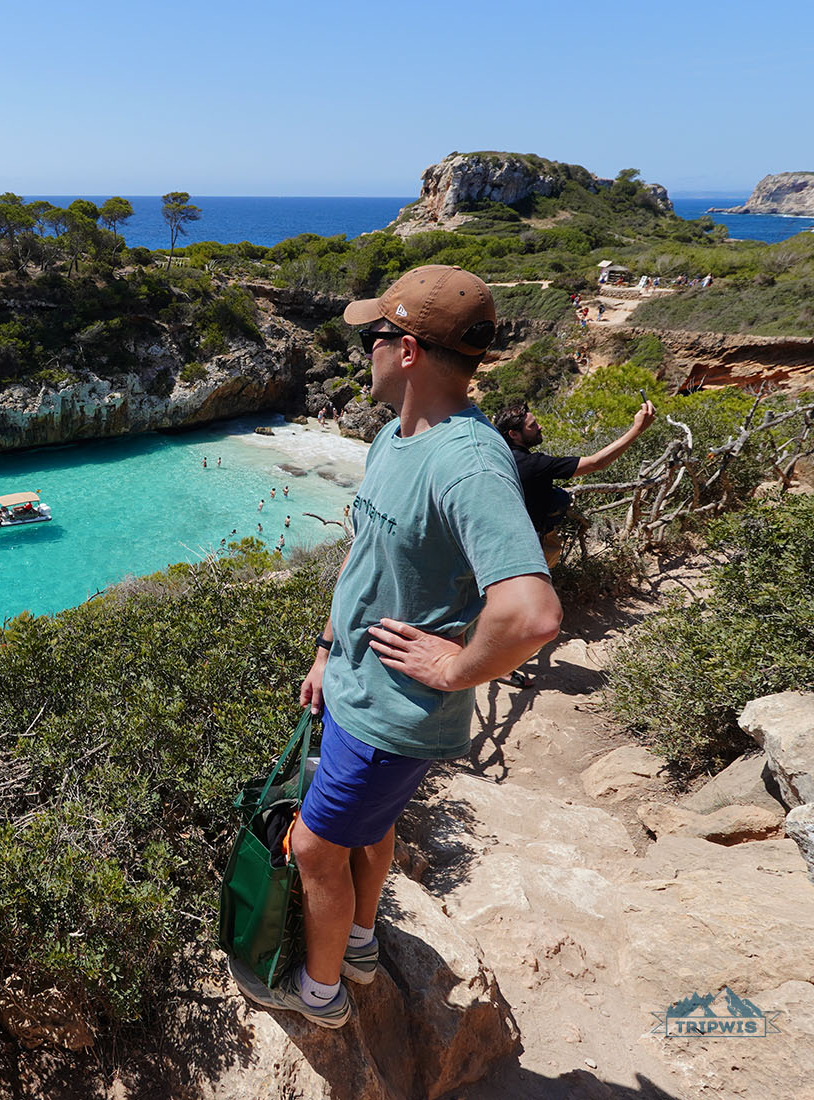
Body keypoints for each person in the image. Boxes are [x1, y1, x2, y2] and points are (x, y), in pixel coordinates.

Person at [250, 265, 561, 1029]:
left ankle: (318, 995)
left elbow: (531, 613)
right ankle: (358, 943)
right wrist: (326, 650)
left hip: (395, 712)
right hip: (357, 689)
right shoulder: (396, 437)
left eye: (375, 336)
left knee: (319, 851)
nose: (367, 350)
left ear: (410, 351)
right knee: (374, 829)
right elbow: (364, 560)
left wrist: (454, 667)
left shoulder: (467, 460)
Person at [493, 399, 656, 568]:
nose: (540, 427)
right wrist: (638, 429)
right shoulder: (533, 464)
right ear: (514, 434)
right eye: (533, 425)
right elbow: (595, 463)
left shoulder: (496, 458)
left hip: (501, 544)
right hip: (531, 546)